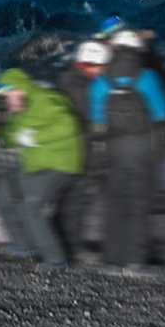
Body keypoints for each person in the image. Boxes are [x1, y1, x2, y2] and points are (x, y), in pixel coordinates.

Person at [87, 32, 165, 276]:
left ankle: (112, 261)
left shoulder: (101, 81)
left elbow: (96, 118)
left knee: (115, 203)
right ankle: (136, 261)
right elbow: (163, 112)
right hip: (142, 147)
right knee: (138, 204)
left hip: (114, 149)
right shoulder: (147, 77)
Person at [0, 68, 82, 272]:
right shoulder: (17, 112)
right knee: (2, 198)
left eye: (10, 95)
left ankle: (55, 260)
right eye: (5, 97)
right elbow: (8, 140)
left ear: (21, 90)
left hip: (59, 162)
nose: (8, 100)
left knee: (30, 207)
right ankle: (24, 245)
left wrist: (34, 137)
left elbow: (69, 125)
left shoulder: (46, 100)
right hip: (33, 162)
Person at [57, 39, 111, 261]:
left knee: (73, 196)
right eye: (101, 67)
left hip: (71, 147)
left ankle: (66, 242)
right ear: (89, 64)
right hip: (78, 148)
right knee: (76, 196)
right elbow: (89, 119)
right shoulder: (79, 86)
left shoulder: (69, 78)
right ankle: (70, 245)